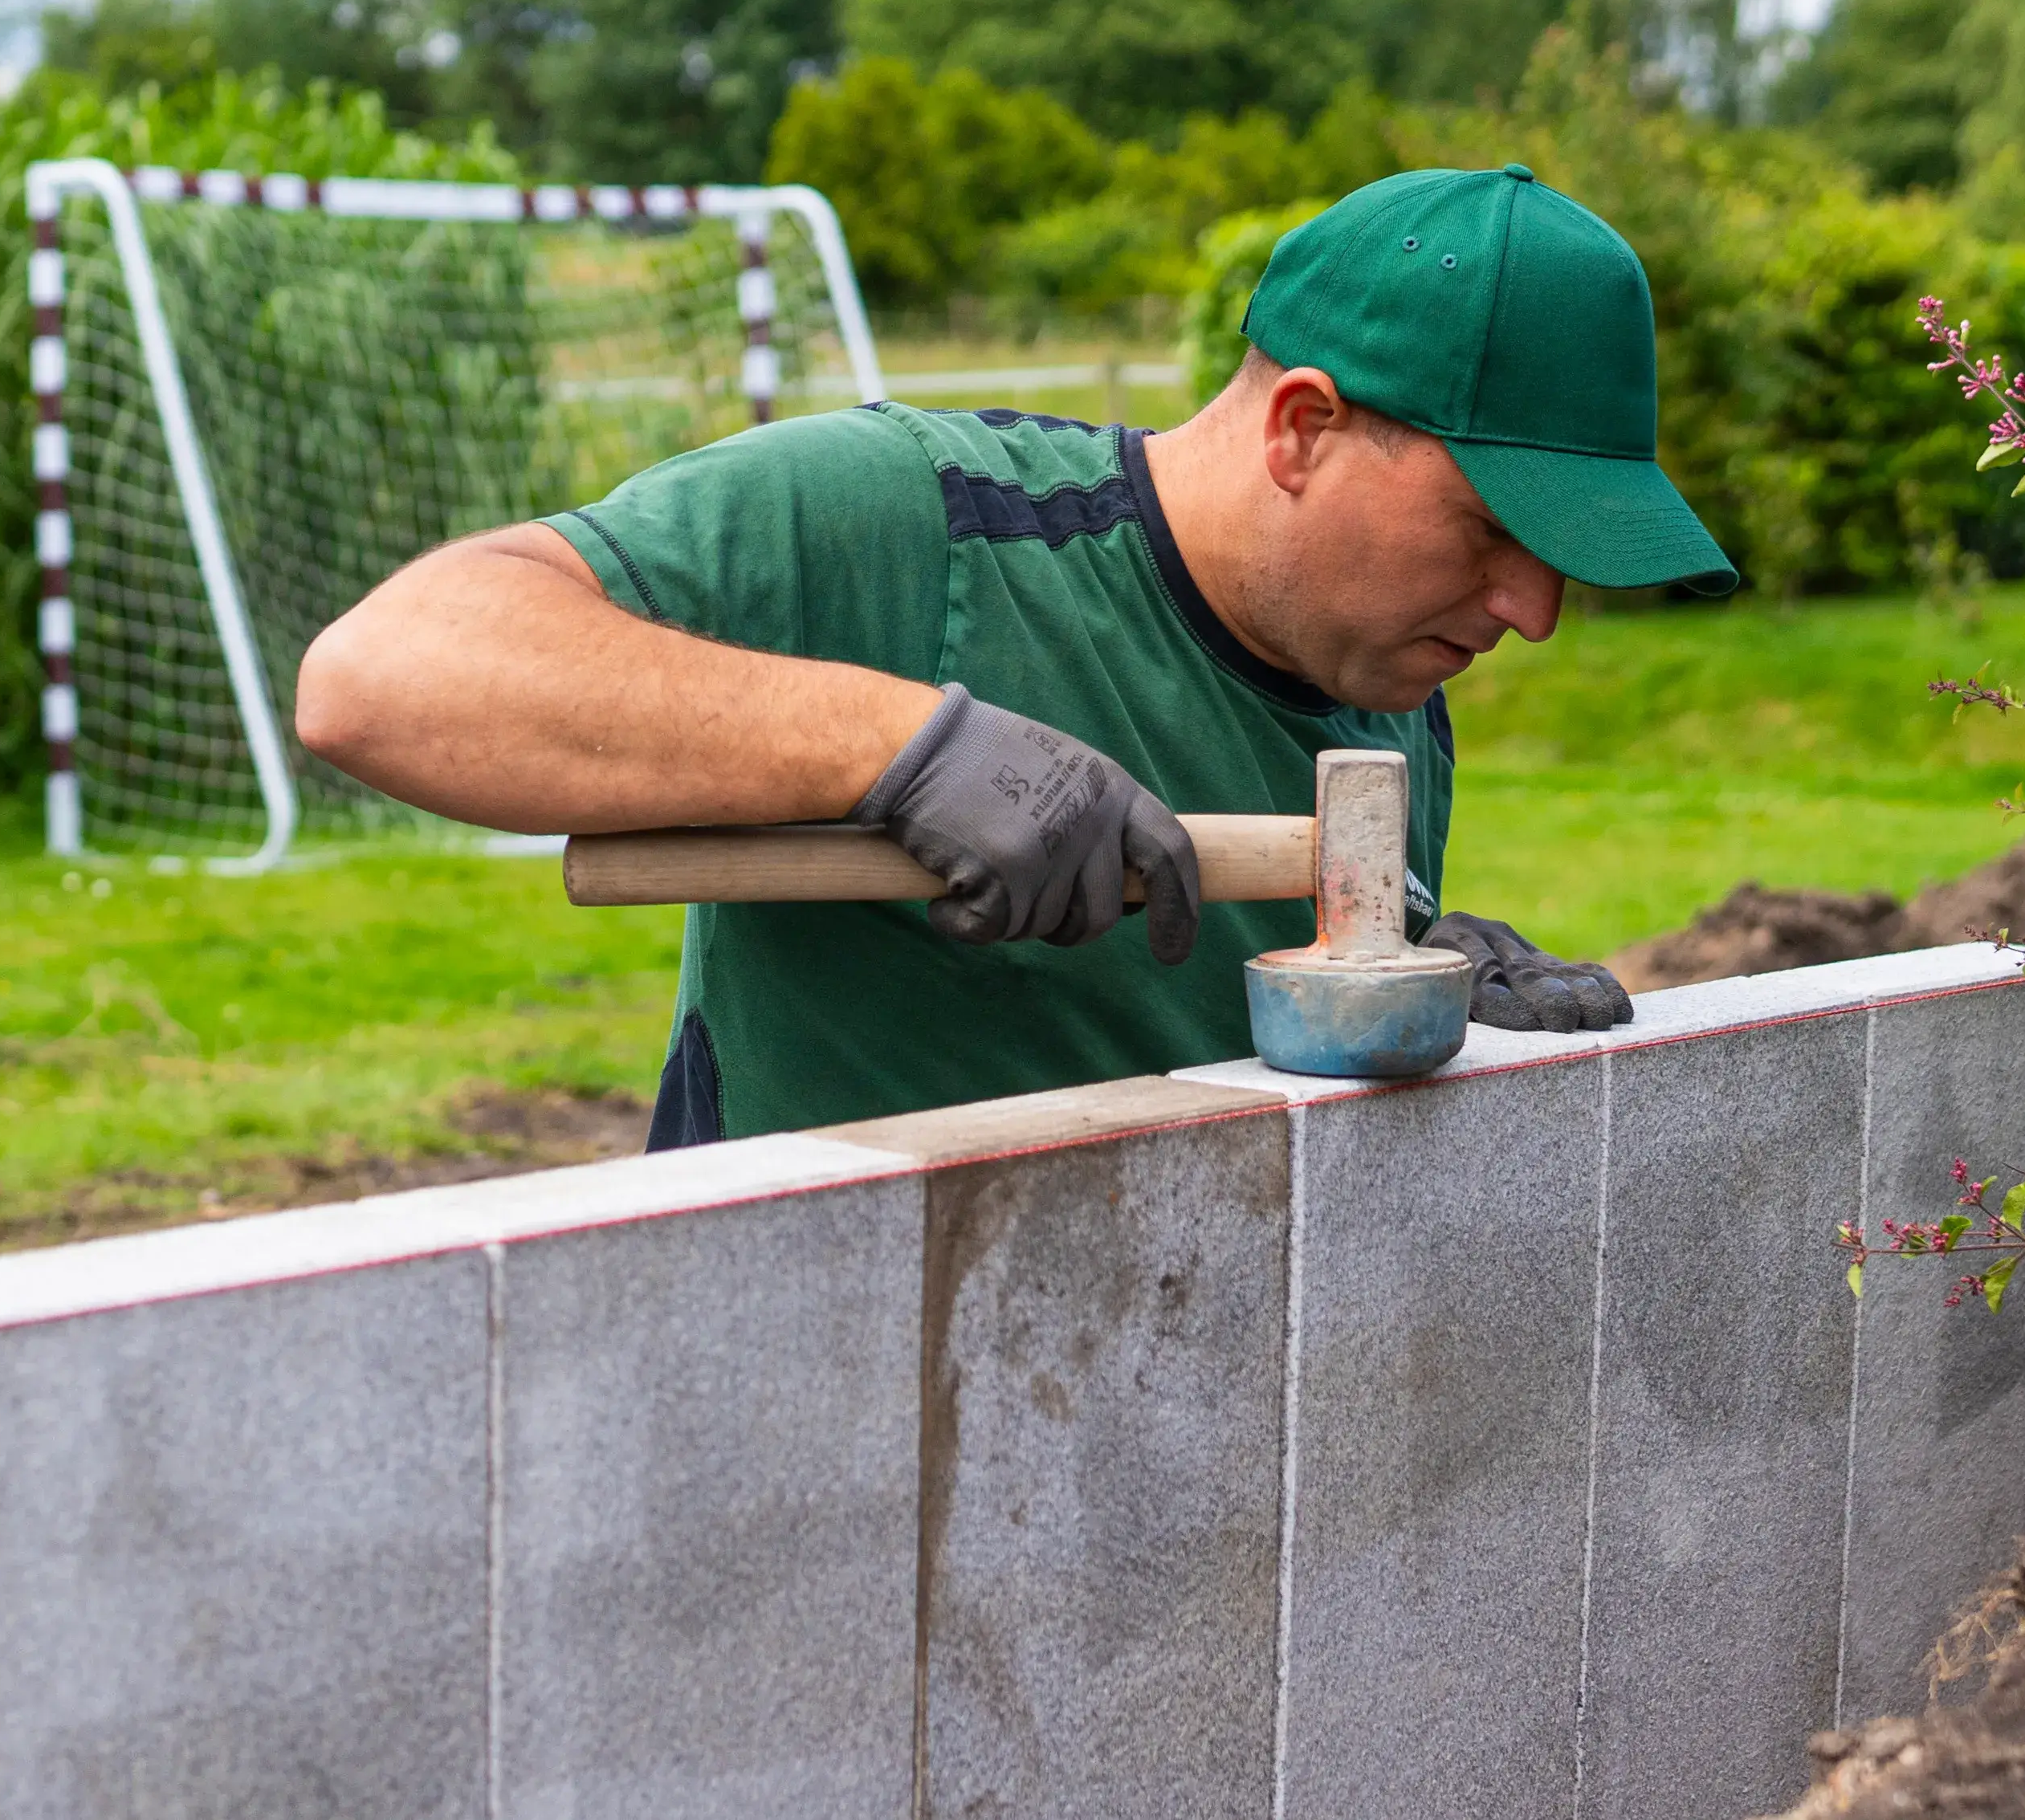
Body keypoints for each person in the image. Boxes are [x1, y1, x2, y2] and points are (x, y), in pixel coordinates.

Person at [294, 162, 1738, 1144]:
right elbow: (382, 676)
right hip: (804, 1377)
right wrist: (901, 752)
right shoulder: (914, 519)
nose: (1533, 611)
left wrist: (1398, 993)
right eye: (1493, 528)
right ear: (1304, 427)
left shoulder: (1391, 698)